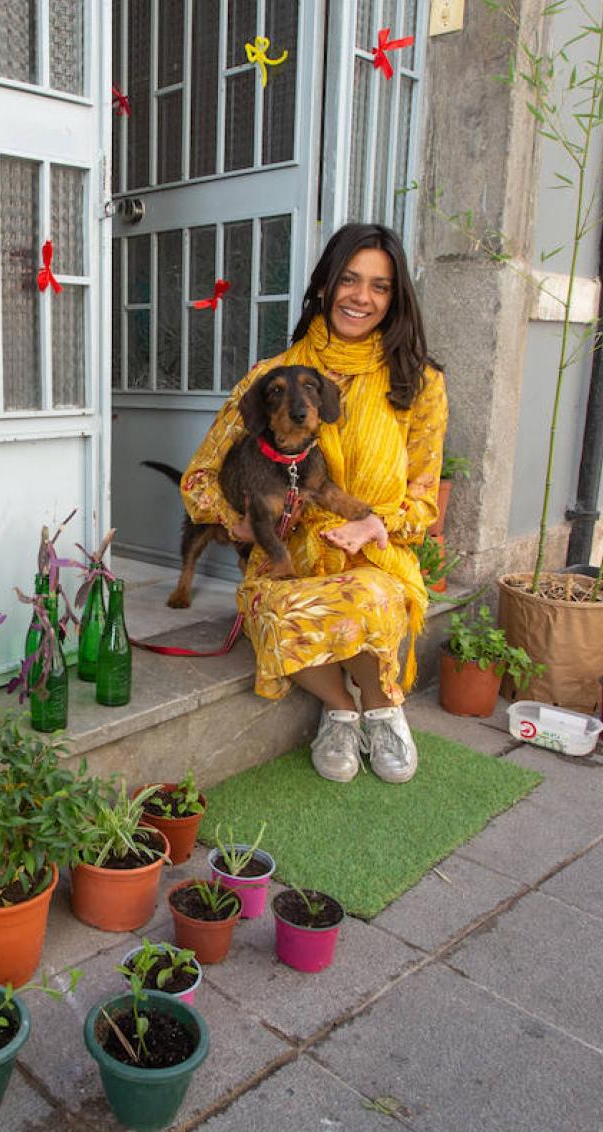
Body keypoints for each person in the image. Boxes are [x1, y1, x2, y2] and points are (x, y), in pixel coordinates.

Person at [178, 222, 447, 783]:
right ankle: (340, 709)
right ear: (324, 285)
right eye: (349, 279)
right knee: (283, 610)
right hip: (286, 558)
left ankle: (383, 710)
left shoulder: (417, 383)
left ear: (395, 298)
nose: (361, 297)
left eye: (379, 286)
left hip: (373, 555)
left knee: (367, 595)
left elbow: (424, 499)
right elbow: (199, 478)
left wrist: (374, 524)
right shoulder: (269, 378)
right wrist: (236, 522)